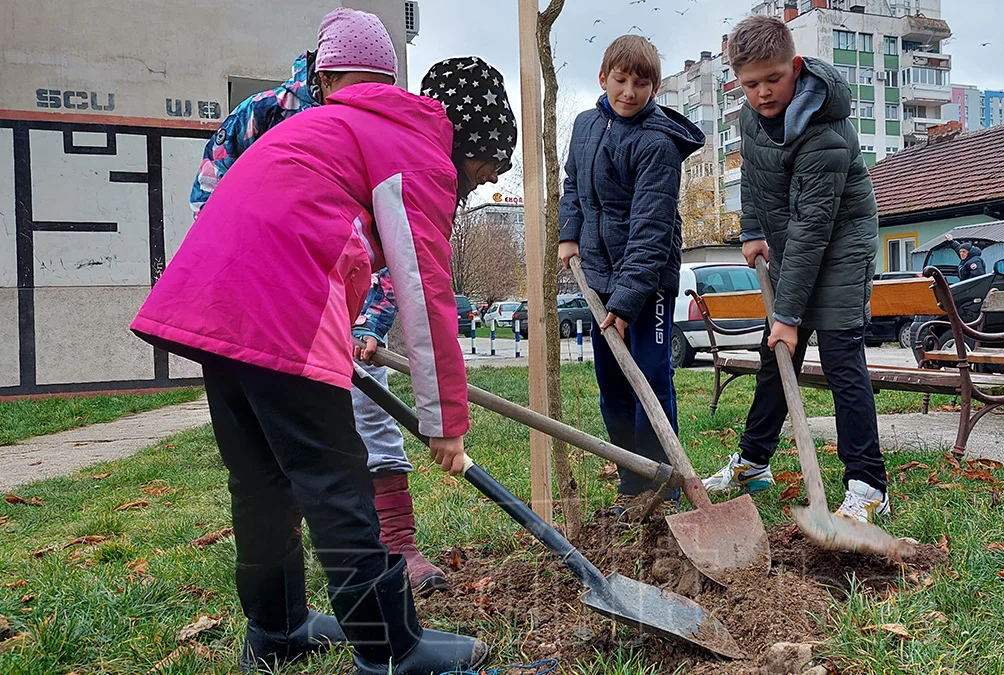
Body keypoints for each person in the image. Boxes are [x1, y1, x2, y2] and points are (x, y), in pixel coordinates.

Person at [131, 10, 516, 675]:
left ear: (331, 76)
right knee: (338, 481)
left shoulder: (317, 125)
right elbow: (424, 290)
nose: (471, 180)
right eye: (477, 169)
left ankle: (276, 629)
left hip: (209, 300)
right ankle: (391, 646)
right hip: (277, 308)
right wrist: (445, 422)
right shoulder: (410, 142)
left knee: (262, 479)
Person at [189, 16, 447, 595]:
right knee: (314, 466)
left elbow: (390, 243)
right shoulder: (264, 117)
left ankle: (392, 550)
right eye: (359, 87)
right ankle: (384, 644)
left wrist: (369, 324)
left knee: (369, 425)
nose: (371, 102)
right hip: (264, 306)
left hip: (341, 306)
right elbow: (214, 205)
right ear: (327, 79)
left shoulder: (380, 130)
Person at [701, 16, 891, 525]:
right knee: (776, 356)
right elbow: (756, 182)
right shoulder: (749, 117)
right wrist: (751, 231)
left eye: (774, 79)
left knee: (839, 359)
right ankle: (753, 463)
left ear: (796, 67)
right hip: (794, 240)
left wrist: (786, 313)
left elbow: (814, 226)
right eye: (751, 83)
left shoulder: (824, 130)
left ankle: (868, 484)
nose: (763, 93)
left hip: (840, 243)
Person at [558, 35, 705, 514]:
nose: (628, 92)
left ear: (655, 88)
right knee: (614, 386)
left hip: (648, 281)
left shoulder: (657, 144)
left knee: (650, 382)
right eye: (620, 80)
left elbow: (650, 230)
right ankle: (632, 485)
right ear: (603, 79)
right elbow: (574, 187)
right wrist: (569, 233)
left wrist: (624, 305)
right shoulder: (585, 126)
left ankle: (663, 489)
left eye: (641, 84)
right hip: (599, 276)